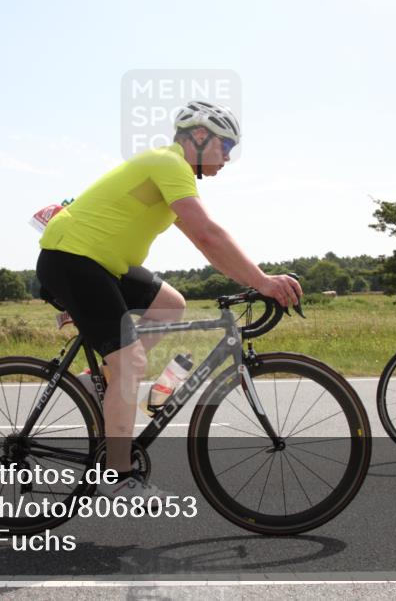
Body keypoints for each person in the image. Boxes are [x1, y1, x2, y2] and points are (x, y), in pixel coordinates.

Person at [35, 101, 303, 499]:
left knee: (170, 305)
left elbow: (207, 242)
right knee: (131, 361)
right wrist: (263, 281)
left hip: (102, 264)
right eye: (225, 146)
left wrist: (254, 279)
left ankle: (101, 382)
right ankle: (119, 477)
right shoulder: (168, 163)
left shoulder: (171, 174)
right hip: (73, 258)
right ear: (199, 136)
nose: (228, 157)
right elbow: (207, 236)